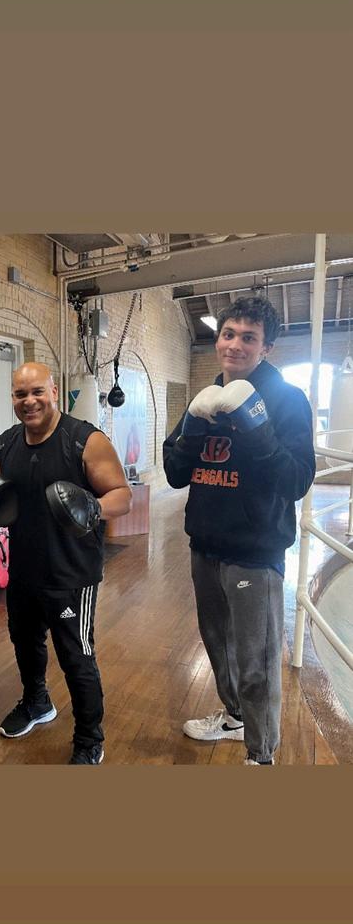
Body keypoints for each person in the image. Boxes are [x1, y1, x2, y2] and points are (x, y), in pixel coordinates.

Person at [163, 295, 316, 766]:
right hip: (205, 544)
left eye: (249, 338)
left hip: (255, 550)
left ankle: (261, 754)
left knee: (257, 661)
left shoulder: (287, 400)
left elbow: (296, 480)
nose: (235, 345)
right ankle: (234, 718)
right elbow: (174, 472)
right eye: (228, 334)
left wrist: (257, 429)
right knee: (219, 647)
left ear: (266, 348)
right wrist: (192, 428)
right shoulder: (207, 395)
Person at [0, 362, 131, 765]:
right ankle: (37, 701)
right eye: (20, 394)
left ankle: (89, 739)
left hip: (71, 572)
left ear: (54, 392)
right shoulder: (6, 444)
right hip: (24, 569)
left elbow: (122, 495)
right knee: (24, 642)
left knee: (76, 656)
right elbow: (0, 495)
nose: (29, 402)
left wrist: (92, 507)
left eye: (37, 392)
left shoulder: (85, 440)